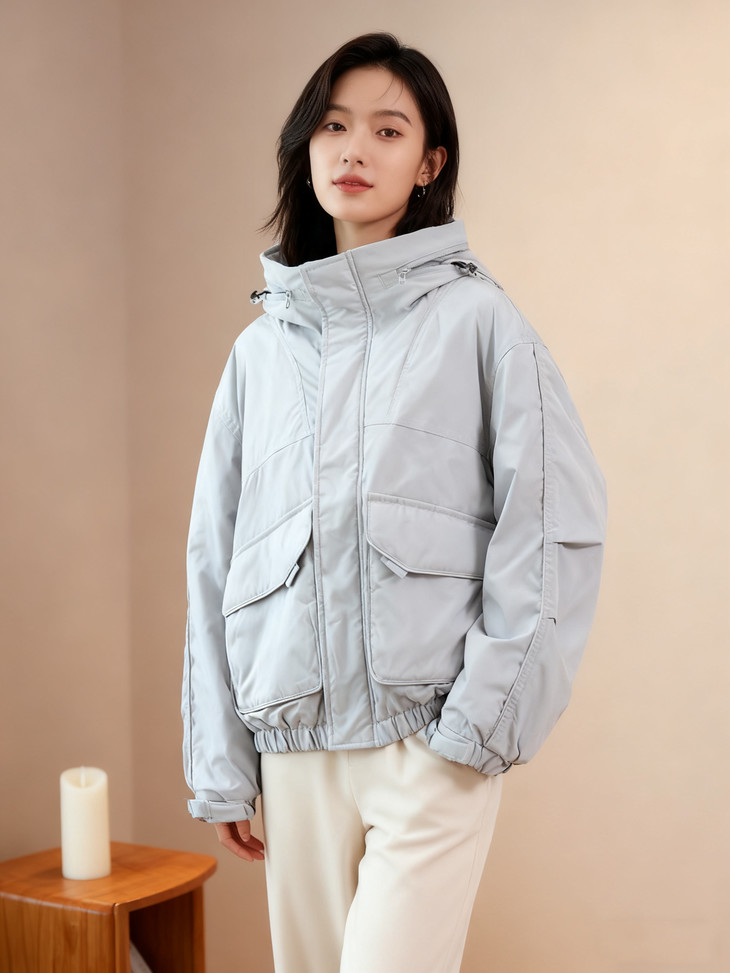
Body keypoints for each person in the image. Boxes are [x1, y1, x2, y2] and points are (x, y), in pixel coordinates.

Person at [182, 31, 606, 973]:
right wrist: (223, 762)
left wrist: (476, 728)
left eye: (387, 129)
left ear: (430, 163)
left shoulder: (480, 323)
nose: (354, 150)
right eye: (334, 126)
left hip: (428, 744)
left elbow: (552, 526)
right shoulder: (258, 354)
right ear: (306, 147)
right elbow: (215, 557)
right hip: (292, 750)